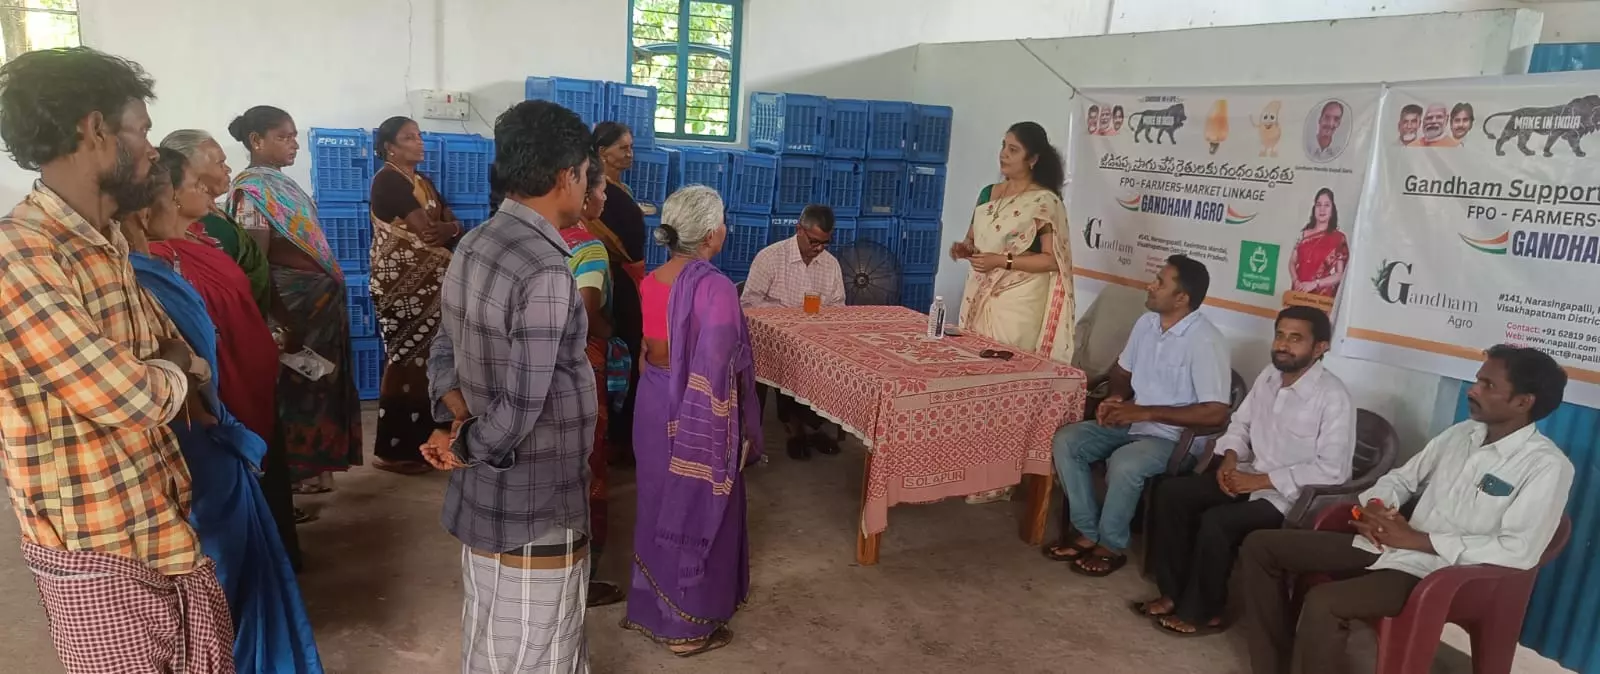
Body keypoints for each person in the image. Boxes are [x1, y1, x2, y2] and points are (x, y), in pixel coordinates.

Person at [0, 46, 232, 674]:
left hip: (160, 523)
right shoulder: (20, 255)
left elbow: (180, 356)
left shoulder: (102, 242)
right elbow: (129, 395)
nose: (153, 149)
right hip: (98, 551)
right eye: (143, 129)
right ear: (95, 131)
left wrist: (176, 367)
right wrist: (176, 370)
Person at [1239, 345, 1574, 674]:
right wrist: (1376, 508)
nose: (1472, 390)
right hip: (1388, 543)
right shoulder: (1462, 434)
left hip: (1439, 572)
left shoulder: (1546, 466)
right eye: (1477, 380)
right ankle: (1274, 663)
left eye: (1488, 385)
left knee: (1324, 603)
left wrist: (1417, 540)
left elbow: (1519, 550)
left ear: (1522, 402)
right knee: (1261, 546)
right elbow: (1401, 478)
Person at [126, 150, 324, 673]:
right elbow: (184, 372)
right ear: (150, 207)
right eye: (180, 189)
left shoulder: (170, 262)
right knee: (220, 579)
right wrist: (191, 376)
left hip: (219, 430)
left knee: (234, 575)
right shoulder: (148, 277)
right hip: (201, 443)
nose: (199, 197)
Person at [420, 100, 597, 672]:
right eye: (587, 174)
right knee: (539, 641)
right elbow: (525, 403)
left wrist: (456, 423)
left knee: (494, 626)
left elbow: (443, 345)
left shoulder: (476, 241)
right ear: (568, 175)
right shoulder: (546, 267)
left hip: (488, 485)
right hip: (537, 493)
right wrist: (466, 445)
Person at [1136, 306, 1354, 636]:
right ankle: (1174, 592)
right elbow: (1241, 424)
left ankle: (1204, 611)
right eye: (1280, 335)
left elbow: (1333, 470)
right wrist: (1229, 459)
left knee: (1218, 522)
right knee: (1173, 493)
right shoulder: (1269, 375)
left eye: (1296, 339)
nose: (1283, 345)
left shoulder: (1333, 397)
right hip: (1247, 475)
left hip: (1291, 499)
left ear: (1320, 347)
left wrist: (1261, 480)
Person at [621, 185, 762, 657]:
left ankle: (651, 608)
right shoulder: (716, 287)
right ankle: (687, 629)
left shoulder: (651, 279)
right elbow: (717, 368)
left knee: (659, 502)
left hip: (654, 402)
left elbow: (648, 352)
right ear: (712, 233)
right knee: (699, 504)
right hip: (697, 412)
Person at [161, 128, 304, 561]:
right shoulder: (167, 256)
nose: (215, 177)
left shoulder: (206, 232)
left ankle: (277, 549)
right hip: (224, 380)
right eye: (200, 174)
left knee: (268, 467)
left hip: (252, 369)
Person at [1045, 255, 1231, 577]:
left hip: (1175, 440)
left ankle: (1111, 544)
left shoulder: (1206, 340)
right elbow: (1121, 371)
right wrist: (1116, 398)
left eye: (1160, 282)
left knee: (1127, 463)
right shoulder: (1146, 323)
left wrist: (1142, 410)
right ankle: (1088, 530)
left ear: (1182, 298)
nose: (1151, 285)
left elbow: (1215, 413)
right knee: (1067, 440)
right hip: (1132, 422)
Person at [228, 105, 363, 497]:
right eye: (283, 137)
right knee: (298, 387)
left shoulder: (284, 186)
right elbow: (256, 261)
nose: (295, 144)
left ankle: (320, 465)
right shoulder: (251, 192)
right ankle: (297, 472)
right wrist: (279, 318)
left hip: (317, 304)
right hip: (293, 306)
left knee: (323, 384)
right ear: (256, 141)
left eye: (294, 136)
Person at [950, 121, 1076, 503]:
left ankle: (997, 475)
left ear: (1034, 159)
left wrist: (1003, 261)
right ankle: (965, 465)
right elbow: (974, 242)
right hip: (980, 294)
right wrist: (964, 250)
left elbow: (1051, 260)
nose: (1003, 155)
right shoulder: (989, 193)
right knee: (972, 380)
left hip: (1018, 301)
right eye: (1003, 146)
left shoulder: (1045, 202)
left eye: (1014, 149)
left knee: (1003, 386)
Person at [369, 115, 463, 475]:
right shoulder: (389, 180)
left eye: (419, 135)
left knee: (426, 362)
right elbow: (429, 233)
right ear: (390, 146)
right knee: (404, 360)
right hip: (401, 287)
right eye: (410, 137)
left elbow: (451, 225)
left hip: (429, 287)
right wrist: (449, 228)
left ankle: (421, 444)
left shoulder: (422, 181)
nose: (419, 142)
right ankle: (393, 451)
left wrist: (450, 227)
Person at [563, 156, 628, 607]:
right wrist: (613, 336)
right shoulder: (589, 247)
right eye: (602, 190)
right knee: (589, 467)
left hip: (545, 370)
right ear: (586, 197)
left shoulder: (544, 237)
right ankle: (582, 578)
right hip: (583, 366)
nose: (607, 197)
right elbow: (586, 312)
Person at [741, 203, 846, 461]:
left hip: (812, 339)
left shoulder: (830, 265)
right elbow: (748, 303)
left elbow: (838, 306)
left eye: (825, 243)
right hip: (770, 340)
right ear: (799, 229)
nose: (819, 249)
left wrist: (821, 320)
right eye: (814, 241)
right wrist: (788, 313)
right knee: (788, 364)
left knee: (830, 367)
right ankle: (795, 429)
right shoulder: (770, 258)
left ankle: (810, 426)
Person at [592, 121, 650, 464]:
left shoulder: (619, 189)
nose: (630, 153)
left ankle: (627, 430)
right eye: (623, 148)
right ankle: (617, 435)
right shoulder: (600, 192)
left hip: (629, 279)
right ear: (602, 152)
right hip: (612, 280)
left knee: (630, 351)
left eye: (631, 147)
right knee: (621, 352)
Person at [1287, 188, 1348, 299]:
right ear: (1314, 208)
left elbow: (1340, 275)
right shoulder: (1303, 234)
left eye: (1326, 205)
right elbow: (1292, 262)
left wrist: (1315, 284)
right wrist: (1296, 281)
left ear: (1332, 210)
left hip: (1321, 297)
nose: (1322, 209)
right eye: (1318, 205)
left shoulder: (1338, 238)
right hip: (1298, 292)